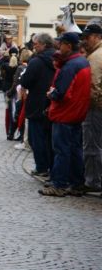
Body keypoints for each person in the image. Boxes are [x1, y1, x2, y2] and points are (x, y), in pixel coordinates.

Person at [39, 32, 91, 197]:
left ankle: (59, 184)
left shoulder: (70, 66)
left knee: (61, 150)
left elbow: (61, 93)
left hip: (65, 114)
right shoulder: (82, 62)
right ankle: (76, 183)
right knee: (75, 149)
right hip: (77, 112)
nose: (58, 47)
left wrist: (50, 94)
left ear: (68, 45)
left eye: (61, 44)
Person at [20, 33, 56, 177]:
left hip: (37, 103)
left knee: (37, 138)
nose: (34, 46)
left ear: (44, 45)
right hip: (52, 103)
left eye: (36, 44)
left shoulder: (36, 61)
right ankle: (50, 166)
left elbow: (26, 81)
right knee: (49, 138)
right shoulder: (57, 58)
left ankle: (41, 167)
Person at [81, 23, 102, 193]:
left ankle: (93, 181)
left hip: (95, 108)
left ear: (96, 37)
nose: (85, 41)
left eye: (87, 37)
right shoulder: (94, 54)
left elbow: (93, 87)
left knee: (92, 146)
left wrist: (87, 106)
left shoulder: (96, 57)